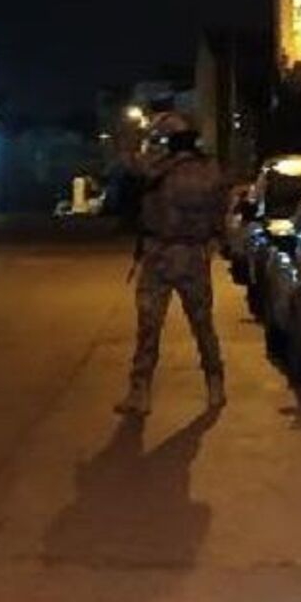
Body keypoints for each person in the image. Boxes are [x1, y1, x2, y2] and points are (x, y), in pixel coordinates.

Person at [117, 114, 229, 415]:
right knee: (202, 324)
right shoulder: (210, 170)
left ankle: (140, 393)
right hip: (193, 255)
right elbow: (220, 209)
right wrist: (215, 239)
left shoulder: (156, 167)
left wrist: (133, 131)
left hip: (159, 254)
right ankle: (215, 383)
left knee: (149, 327)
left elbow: (126, 160)